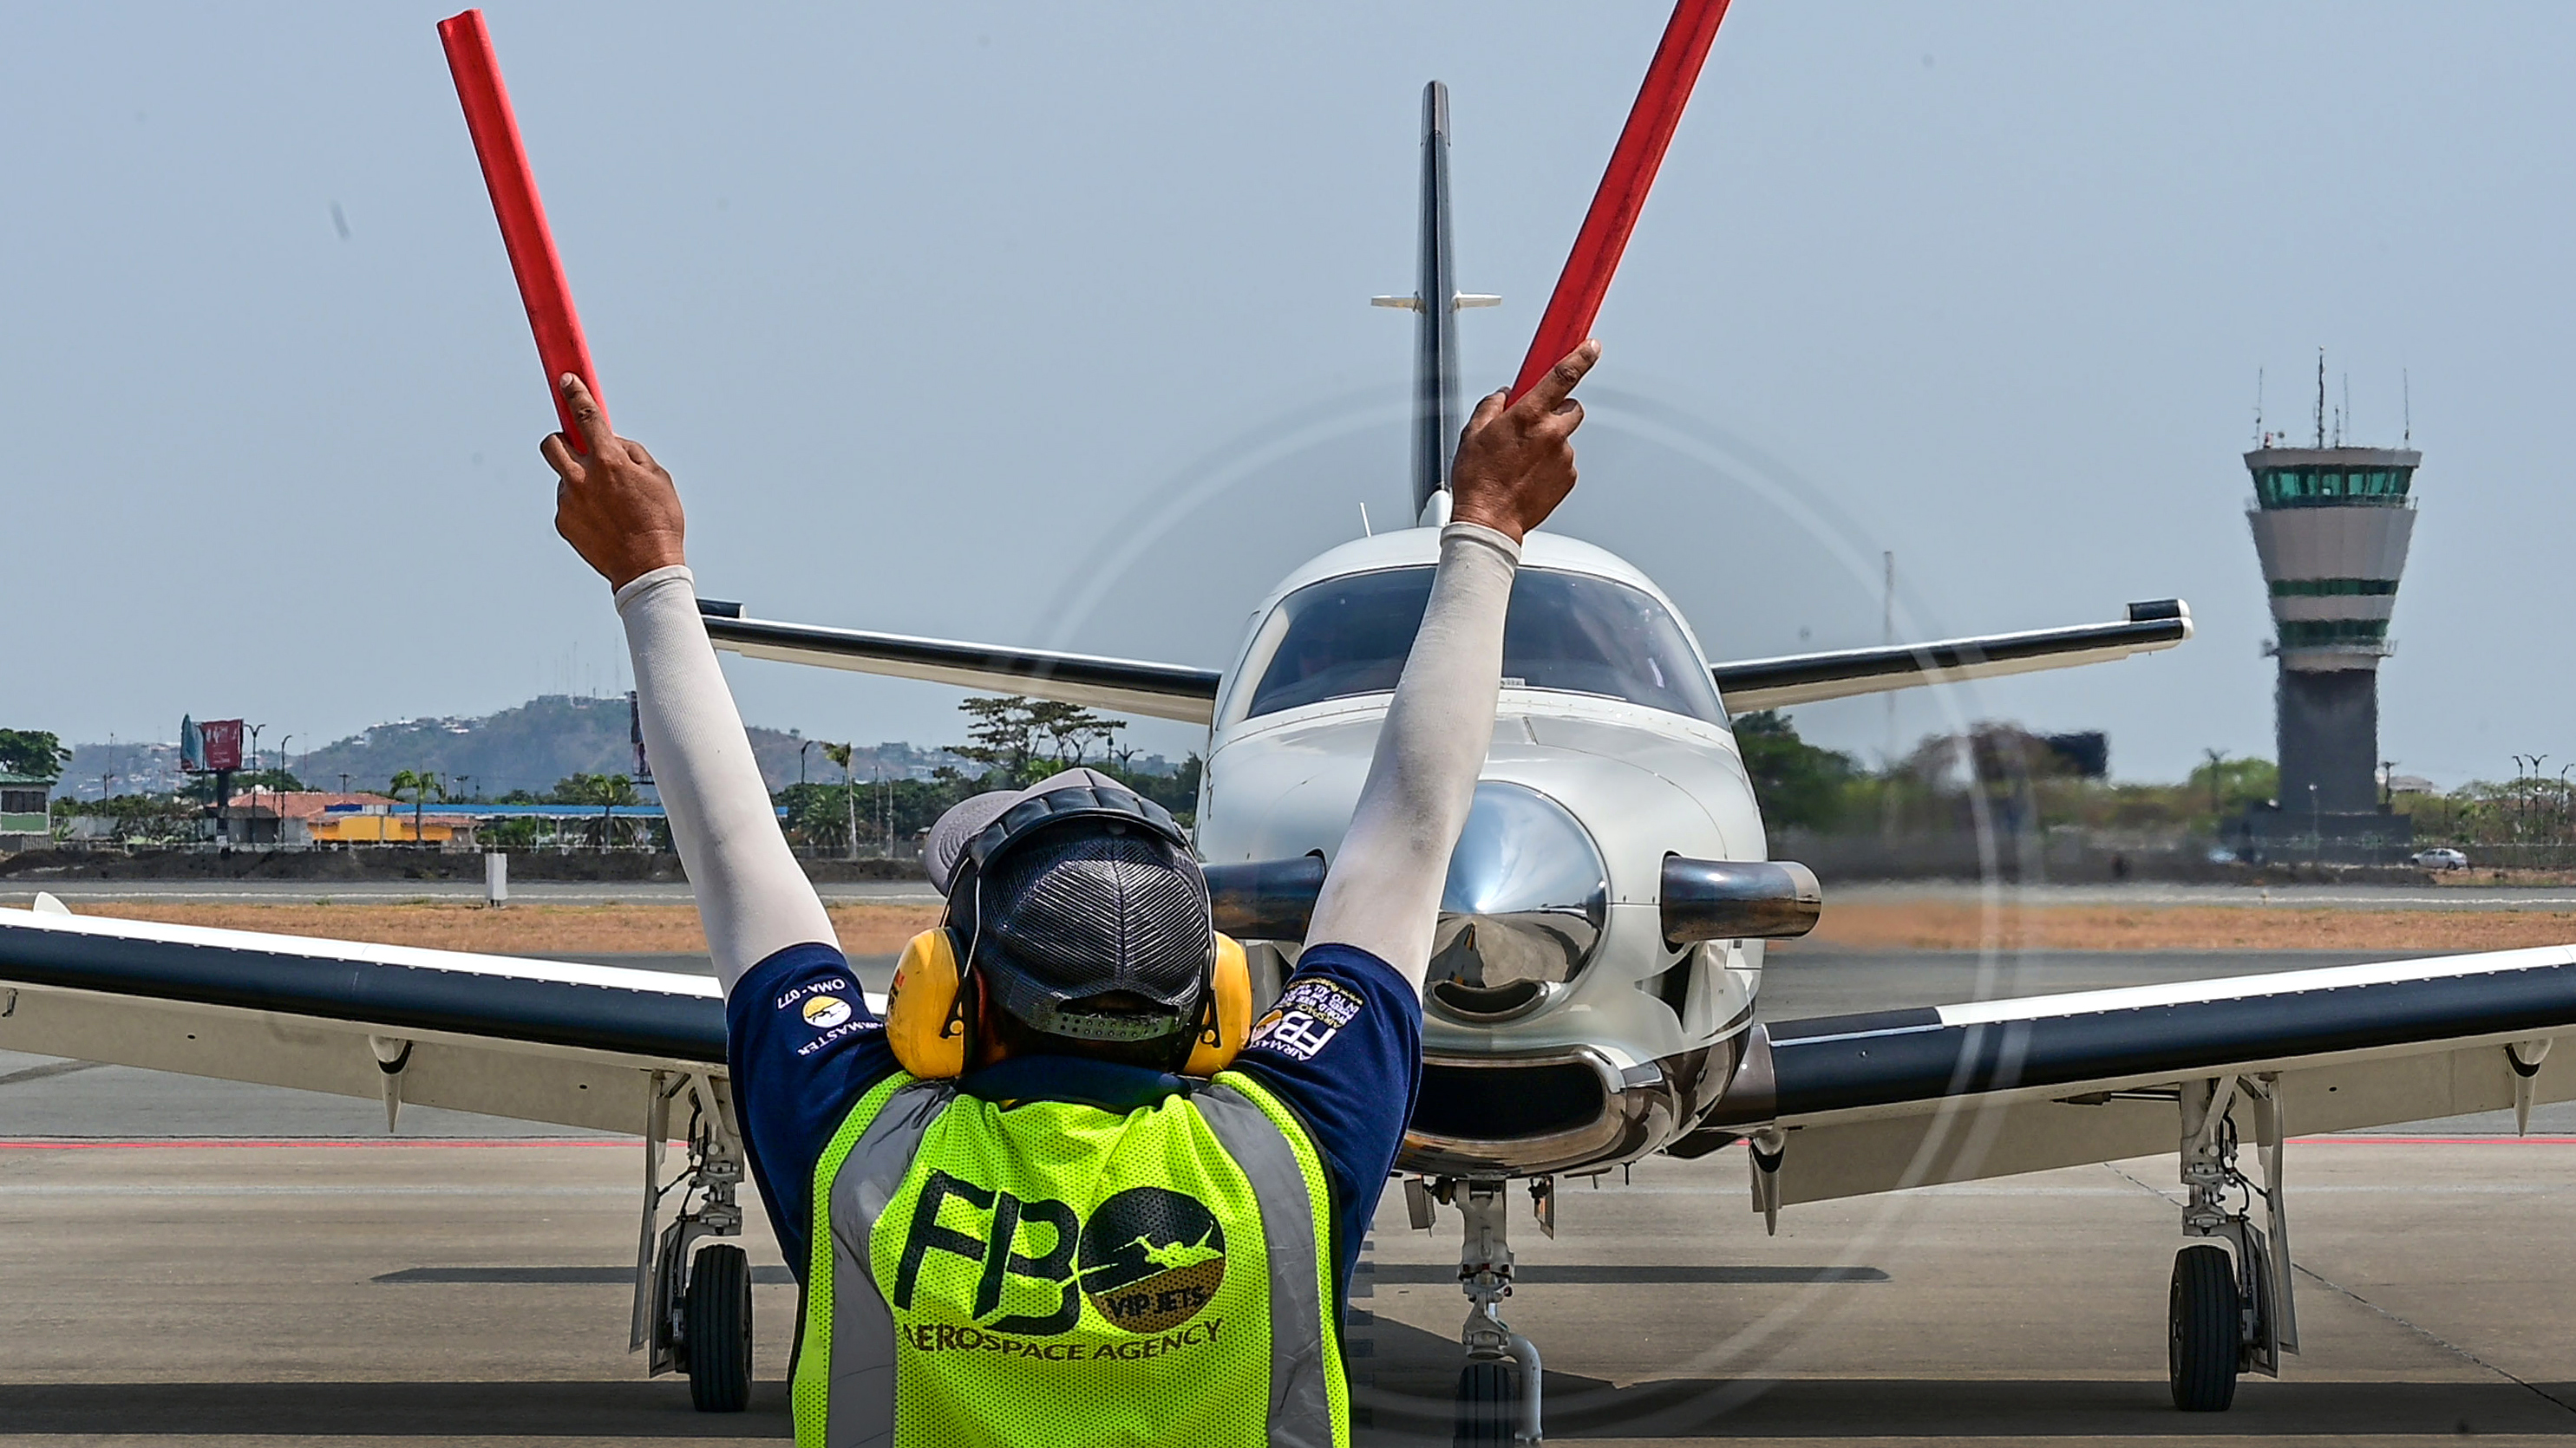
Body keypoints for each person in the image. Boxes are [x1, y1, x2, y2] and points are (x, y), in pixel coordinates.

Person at [543, 339, 1598, 1446]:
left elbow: (736, 855)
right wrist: (1487, 528)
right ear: (1214, 1006)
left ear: (948, 994)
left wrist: (649, 574)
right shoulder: (1290, 1156)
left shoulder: (859, 1157)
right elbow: (1412, 835)